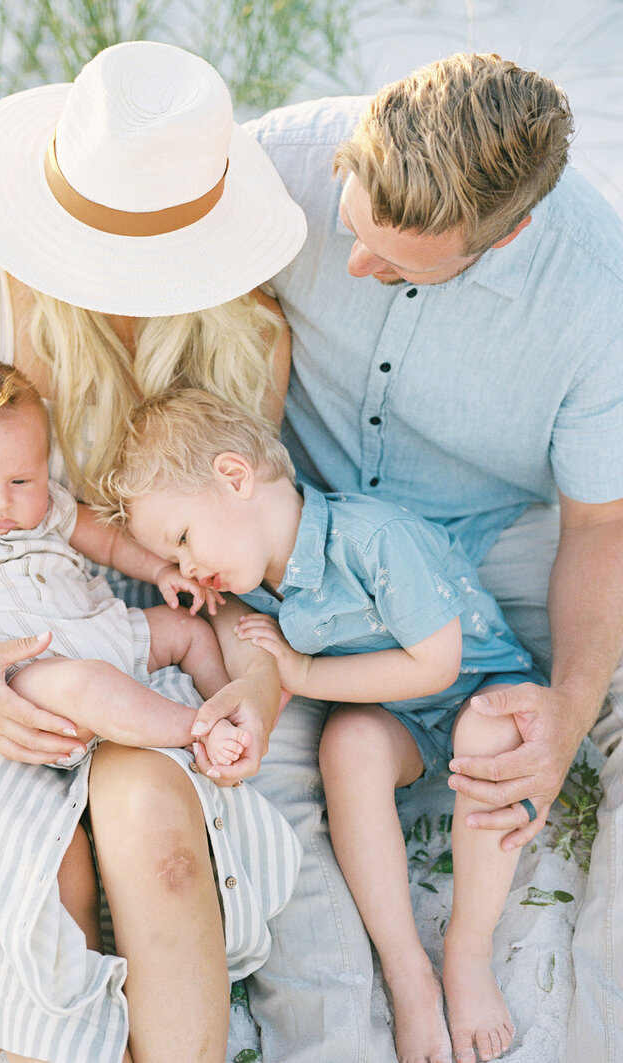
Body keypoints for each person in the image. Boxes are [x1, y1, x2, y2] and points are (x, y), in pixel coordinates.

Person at [0, 41, 308, 1063]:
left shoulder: (247, 335)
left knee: (164, 855)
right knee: (41, 882)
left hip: (127, 642)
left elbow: (221, 581)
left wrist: (258, 680)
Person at [195, 50, 623, 1063]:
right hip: (303, 550)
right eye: (352, 233)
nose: (355, 269)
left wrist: (564, 708)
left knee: (556, 708)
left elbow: (599, 528)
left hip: (488, 560)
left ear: (505, 234)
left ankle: (547, 997)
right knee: (272, 775)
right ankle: (370, 998)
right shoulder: (274, 167)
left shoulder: (591, 298)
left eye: (395, 263)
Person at [103, 387, 543, 1063]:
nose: (188, 567)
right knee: (347, 743)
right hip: (403, 720)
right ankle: (407, 971)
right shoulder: (253, 575)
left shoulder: (375, 540)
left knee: (489, 730)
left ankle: (467, 951)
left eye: (184, 539)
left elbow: (437, 663)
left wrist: (304, 676)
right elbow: (231, 629)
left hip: (480, 684)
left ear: (234, 476)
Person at [0, 363, 249, 767]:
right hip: (29, 672)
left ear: (43, 468)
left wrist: (161, 571)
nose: (0, 500)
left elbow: (109, 542)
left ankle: (226, 706)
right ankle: (199, 729)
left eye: (20, 481)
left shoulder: (51, 507)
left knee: (188, 630)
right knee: (85, 685)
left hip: (103, 630)